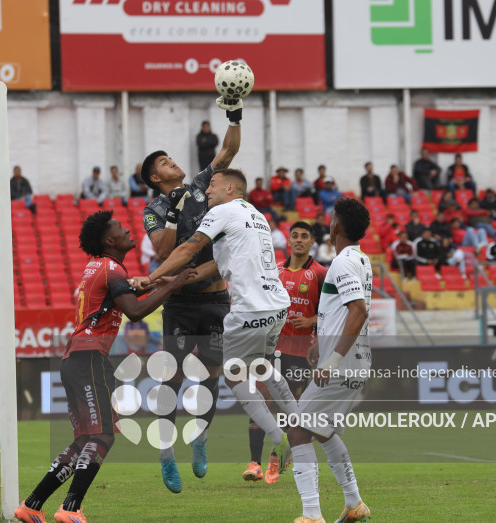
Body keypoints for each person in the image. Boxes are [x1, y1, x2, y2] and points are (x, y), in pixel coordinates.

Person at [13, 210, 194, 523]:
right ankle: (70, 509)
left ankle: (31, 506)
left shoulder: (99, 267)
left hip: (77, 358)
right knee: (103, 435)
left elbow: (122, 297)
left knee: (86, 439)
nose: (128, 230)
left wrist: (155, 283)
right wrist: (174, 285)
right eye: (121, 228)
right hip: (89, 357)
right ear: (110, 240)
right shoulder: (112, 269)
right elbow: (134, 312)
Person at [137, 168, 299, 492]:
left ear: (230, 188)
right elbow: (217, 265)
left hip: (248, 309)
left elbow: (185, 250)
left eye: (213, 185)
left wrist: (151, 277)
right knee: (263, 367)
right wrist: (176, 279)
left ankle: (279, 437)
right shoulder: (256, 215)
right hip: (278, 305)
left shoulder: (221, 212)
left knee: (233, 377)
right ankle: (299, 425)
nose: (207, 190)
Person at [139, 95, 242, 493]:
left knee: (212, 374)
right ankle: (166, 454)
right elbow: (163, 252)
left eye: (170, 158)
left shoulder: (201, 185)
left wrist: (234, 114)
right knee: (173, 378)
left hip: (216, 299)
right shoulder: (154, 208)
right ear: (155, 178)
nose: (172, 162)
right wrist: (172, 212)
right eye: (164, 163)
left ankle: (200, 437)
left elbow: (228, 150)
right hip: (180, 302)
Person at [288, 196, 372, 523]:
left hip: (342, 364)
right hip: (354, 360)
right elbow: (342, 311)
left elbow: (358, 311)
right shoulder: (360, 259)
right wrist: (321, 346)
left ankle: (312, 515)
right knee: (321, 430)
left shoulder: (343, 263)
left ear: (336, 226)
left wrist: (332, 360)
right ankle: (354, 504)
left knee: (298, 428)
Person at [244, 222, 327, 485]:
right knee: (259, 401)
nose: (299, 240)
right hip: (270, 349)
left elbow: (334, 312)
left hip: (300, 353)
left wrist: (312, 320)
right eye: (295, 236)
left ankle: (276, 457)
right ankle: (254, 463)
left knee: (288, 410)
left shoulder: (321, 274)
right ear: (288, 241)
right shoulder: (275, 271)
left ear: (312, 242)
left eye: (304, 236)